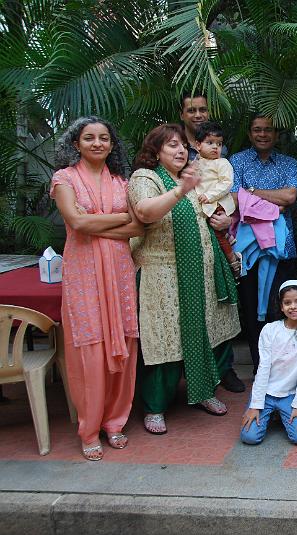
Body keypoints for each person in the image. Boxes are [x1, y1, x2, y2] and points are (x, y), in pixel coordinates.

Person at [129, 124, 240, 435]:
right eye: (171, 146)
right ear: (154, 152)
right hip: (162, 277)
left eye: (182, 146)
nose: (180, 151)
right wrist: (180, 190)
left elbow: (210, 214)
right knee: (164, 343)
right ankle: (155, 407)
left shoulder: (191, 177)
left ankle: (204, 391)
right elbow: (145, 212)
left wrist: (224, 220)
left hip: (201, 272)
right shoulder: (145, 178)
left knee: (208, 333)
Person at [50, 116, 143, 461]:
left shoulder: (122, 181)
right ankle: (89, 428)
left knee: (123, 343)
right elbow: (75, 222)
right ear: (76, 144)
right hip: (84, 274)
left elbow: (137, 228)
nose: (97, 143)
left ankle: (115, 422)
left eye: (104, 137)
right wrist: (117, 219)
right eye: (89, 138)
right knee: (90, 349)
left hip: (119, 271)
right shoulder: (64, 178)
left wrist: (96, 223)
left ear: (112, 144)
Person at [229, 115, 297, 375]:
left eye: (267, 130)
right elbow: (236, 200)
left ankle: (283, 369)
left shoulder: (288, 163)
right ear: (249, 134)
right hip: (248, 251)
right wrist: (273, 205)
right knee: (251, 312)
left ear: (276, 134)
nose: (262, 134)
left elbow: (290, 196)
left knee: (283, 308)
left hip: (282, 250)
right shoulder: (236, 162)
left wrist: (253, 193)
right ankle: (261, 368)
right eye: (257, 129)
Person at [241, 280, 297, 446]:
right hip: (266, 393)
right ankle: (271, 412)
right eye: (287, 303)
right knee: (250, 437)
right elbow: (263, 368)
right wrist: (255, 404)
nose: (293, 307)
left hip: (290, 395)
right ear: (281, 306)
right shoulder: (270, 330)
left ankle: (282, 413)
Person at [192, 121, 239, 275]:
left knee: (216, 234)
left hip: (216, 204)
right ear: (198, 145)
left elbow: (226, 183)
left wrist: (209, 196)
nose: (215, 147)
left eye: (219, 144)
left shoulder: (222, 163)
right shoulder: (195, 163)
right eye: (210, 143)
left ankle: (233, 260)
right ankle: (229, 236)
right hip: (203, 203)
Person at [178, 91, 228, 161]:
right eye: (191, 111)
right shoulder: (174, 146)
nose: (198, 115)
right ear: (181, 115)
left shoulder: (220, 148)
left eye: (203, 110)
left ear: (208, 113)